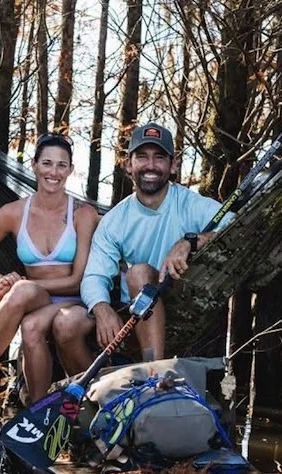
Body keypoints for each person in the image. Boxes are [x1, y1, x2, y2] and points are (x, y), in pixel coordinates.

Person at [52, 122, 234, 371]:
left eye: (159, 157)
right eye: (142, 157)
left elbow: (236, 226)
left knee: (139, 273)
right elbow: (95, 275)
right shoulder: (116, 220)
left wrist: (192, 240)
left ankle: (153, 377)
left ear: (173, 165)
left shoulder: (190, 204)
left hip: (182, 308)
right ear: (129, 165)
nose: (150, 165)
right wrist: (102, 307)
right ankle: (99, 399)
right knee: (66, 325)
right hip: (132, 314)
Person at [0, 133, 100, 416]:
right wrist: (1, 280)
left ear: (70, 170)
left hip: (74, 299)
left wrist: (23, 283)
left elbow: (77, 278)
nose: (54, 172)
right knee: (24, 297)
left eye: (62, 165)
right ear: (35, 165)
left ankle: (43, 408)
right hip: (37, 299)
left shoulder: (83, 214)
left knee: (29, 322)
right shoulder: (13, 213)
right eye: (47, 163)